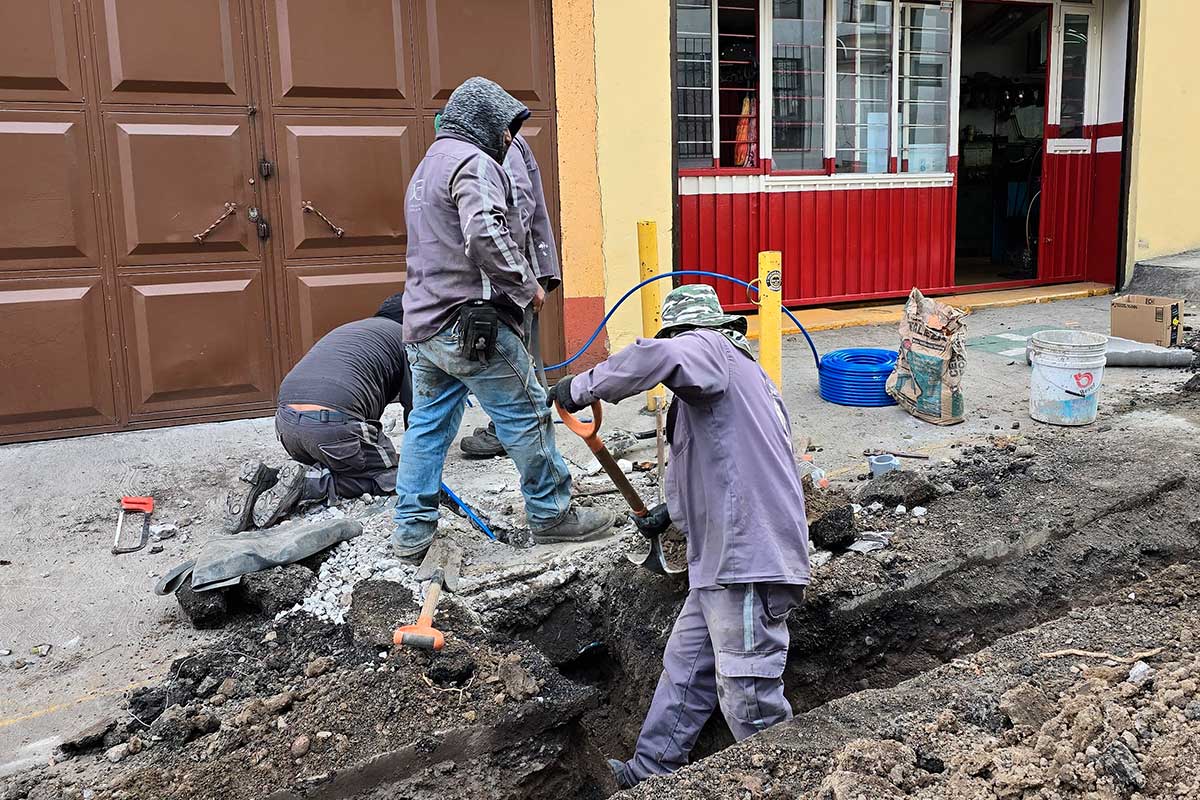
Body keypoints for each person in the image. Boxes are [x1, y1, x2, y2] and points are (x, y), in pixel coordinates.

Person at [547, 285, 812, 789]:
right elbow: (727, 467)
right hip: (717, 559)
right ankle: (648, 773)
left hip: (747, 561)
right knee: (685, 673)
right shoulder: (730, 385)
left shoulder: (709, 349)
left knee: (750, 700)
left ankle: (790, 786)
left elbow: (662, 354)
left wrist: (579, 388)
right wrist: (670, 512)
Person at [393, 76, 615, 558]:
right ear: (484, 123)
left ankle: (411, 531)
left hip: (423, 326)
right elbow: (484, 235)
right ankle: (552, 514)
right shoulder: (474, 162)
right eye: (506, 129)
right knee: (528, 413)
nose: (509, 141)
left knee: (428, 425)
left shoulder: (429, 164)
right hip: (469, 326)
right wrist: (527, 284)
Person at [222, 293, 411, 532]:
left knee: (339, 457)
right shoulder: (407, 340)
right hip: (333, 428)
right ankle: (309, 485)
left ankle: (267, 480)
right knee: (394, 477)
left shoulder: (355, 330)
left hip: (287, 425)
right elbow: (417, 408)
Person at [459, 125, 561, 458]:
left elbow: (517, 204)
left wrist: (513, 272)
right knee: (525, 354)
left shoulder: (504, 144)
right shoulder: (494, 144)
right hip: (520, 267)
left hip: (522, 267)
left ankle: (512, 432)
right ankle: (527, 425)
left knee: (518, 355)